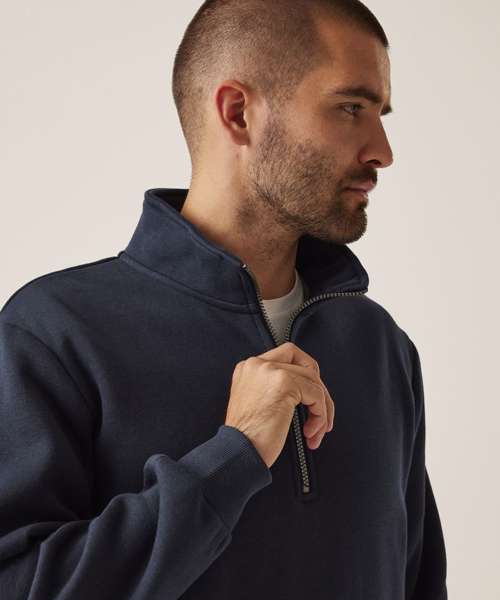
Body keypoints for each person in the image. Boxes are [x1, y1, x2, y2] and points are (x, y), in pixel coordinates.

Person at [0, 1, 448, 598]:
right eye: (350, 108)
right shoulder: (55, 333)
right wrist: (233, 458)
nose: (382, 151)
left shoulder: (379, 345)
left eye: (380, 114)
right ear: (238, 113)